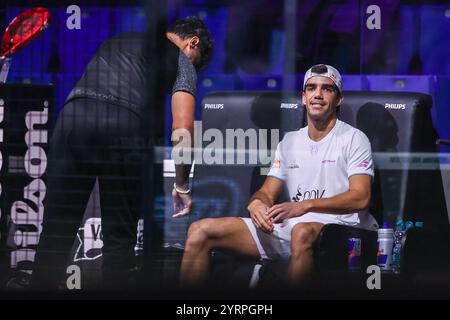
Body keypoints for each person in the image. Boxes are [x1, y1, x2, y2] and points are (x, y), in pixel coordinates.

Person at [28, 16, 213, 290]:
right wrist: (181, 183)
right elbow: (183, 129)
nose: (193, 66)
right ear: (192, 43)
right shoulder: (182, 60)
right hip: (123, 127)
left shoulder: (119, 39)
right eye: (196, 60)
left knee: (55, 230)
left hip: (73, 118)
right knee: (119, 240)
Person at [179, 64, 379, 287]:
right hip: (293, 227)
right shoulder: (290, 141)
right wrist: (256, 205)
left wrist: (305, 206)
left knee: (301, 232)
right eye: (311, 88)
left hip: (341, 229)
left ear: (338, 99)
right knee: (200, 230)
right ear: (303, 98)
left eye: (327, 89)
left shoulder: (354, 138)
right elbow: (266, 192)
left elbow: (361, 197)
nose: (318, 95)